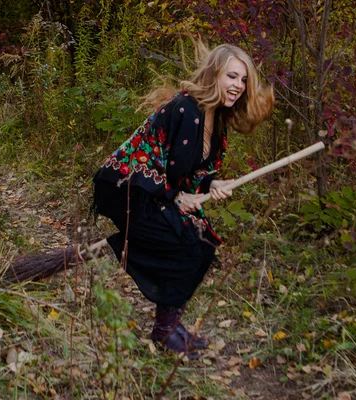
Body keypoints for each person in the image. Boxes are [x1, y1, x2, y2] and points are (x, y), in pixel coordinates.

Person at [92, 42, 274, 357]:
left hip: (158, 193)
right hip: (127, 189)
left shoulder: (217, 122)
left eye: (243, 80)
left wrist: (212, 183)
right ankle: (164, 331)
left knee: (203, 242)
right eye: (232, 76)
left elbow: (192, 173)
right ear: (214, 73)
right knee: (185, 243)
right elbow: (150, 165)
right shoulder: (183, 108)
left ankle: (170, 323)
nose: (238, 86)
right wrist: (177, 198)